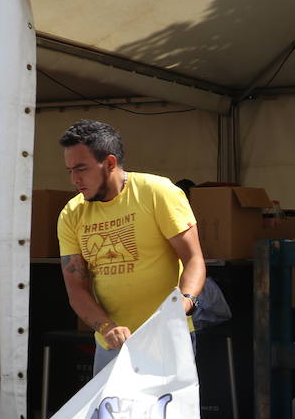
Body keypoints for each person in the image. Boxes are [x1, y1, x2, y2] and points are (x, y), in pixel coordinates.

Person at [56, 119, 205, 373]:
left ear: (110, 163)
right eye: (69, 170)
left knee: (168, 414)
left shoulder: (157, 192)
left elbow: (194, 259)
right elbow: (76, 290)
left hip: (167, 339)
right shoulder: (72, 213)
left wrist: (184, 304)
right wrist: (107, 327)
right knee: (112, 414)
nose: (74, 179)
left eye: (81, 169)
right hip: (111, 345)